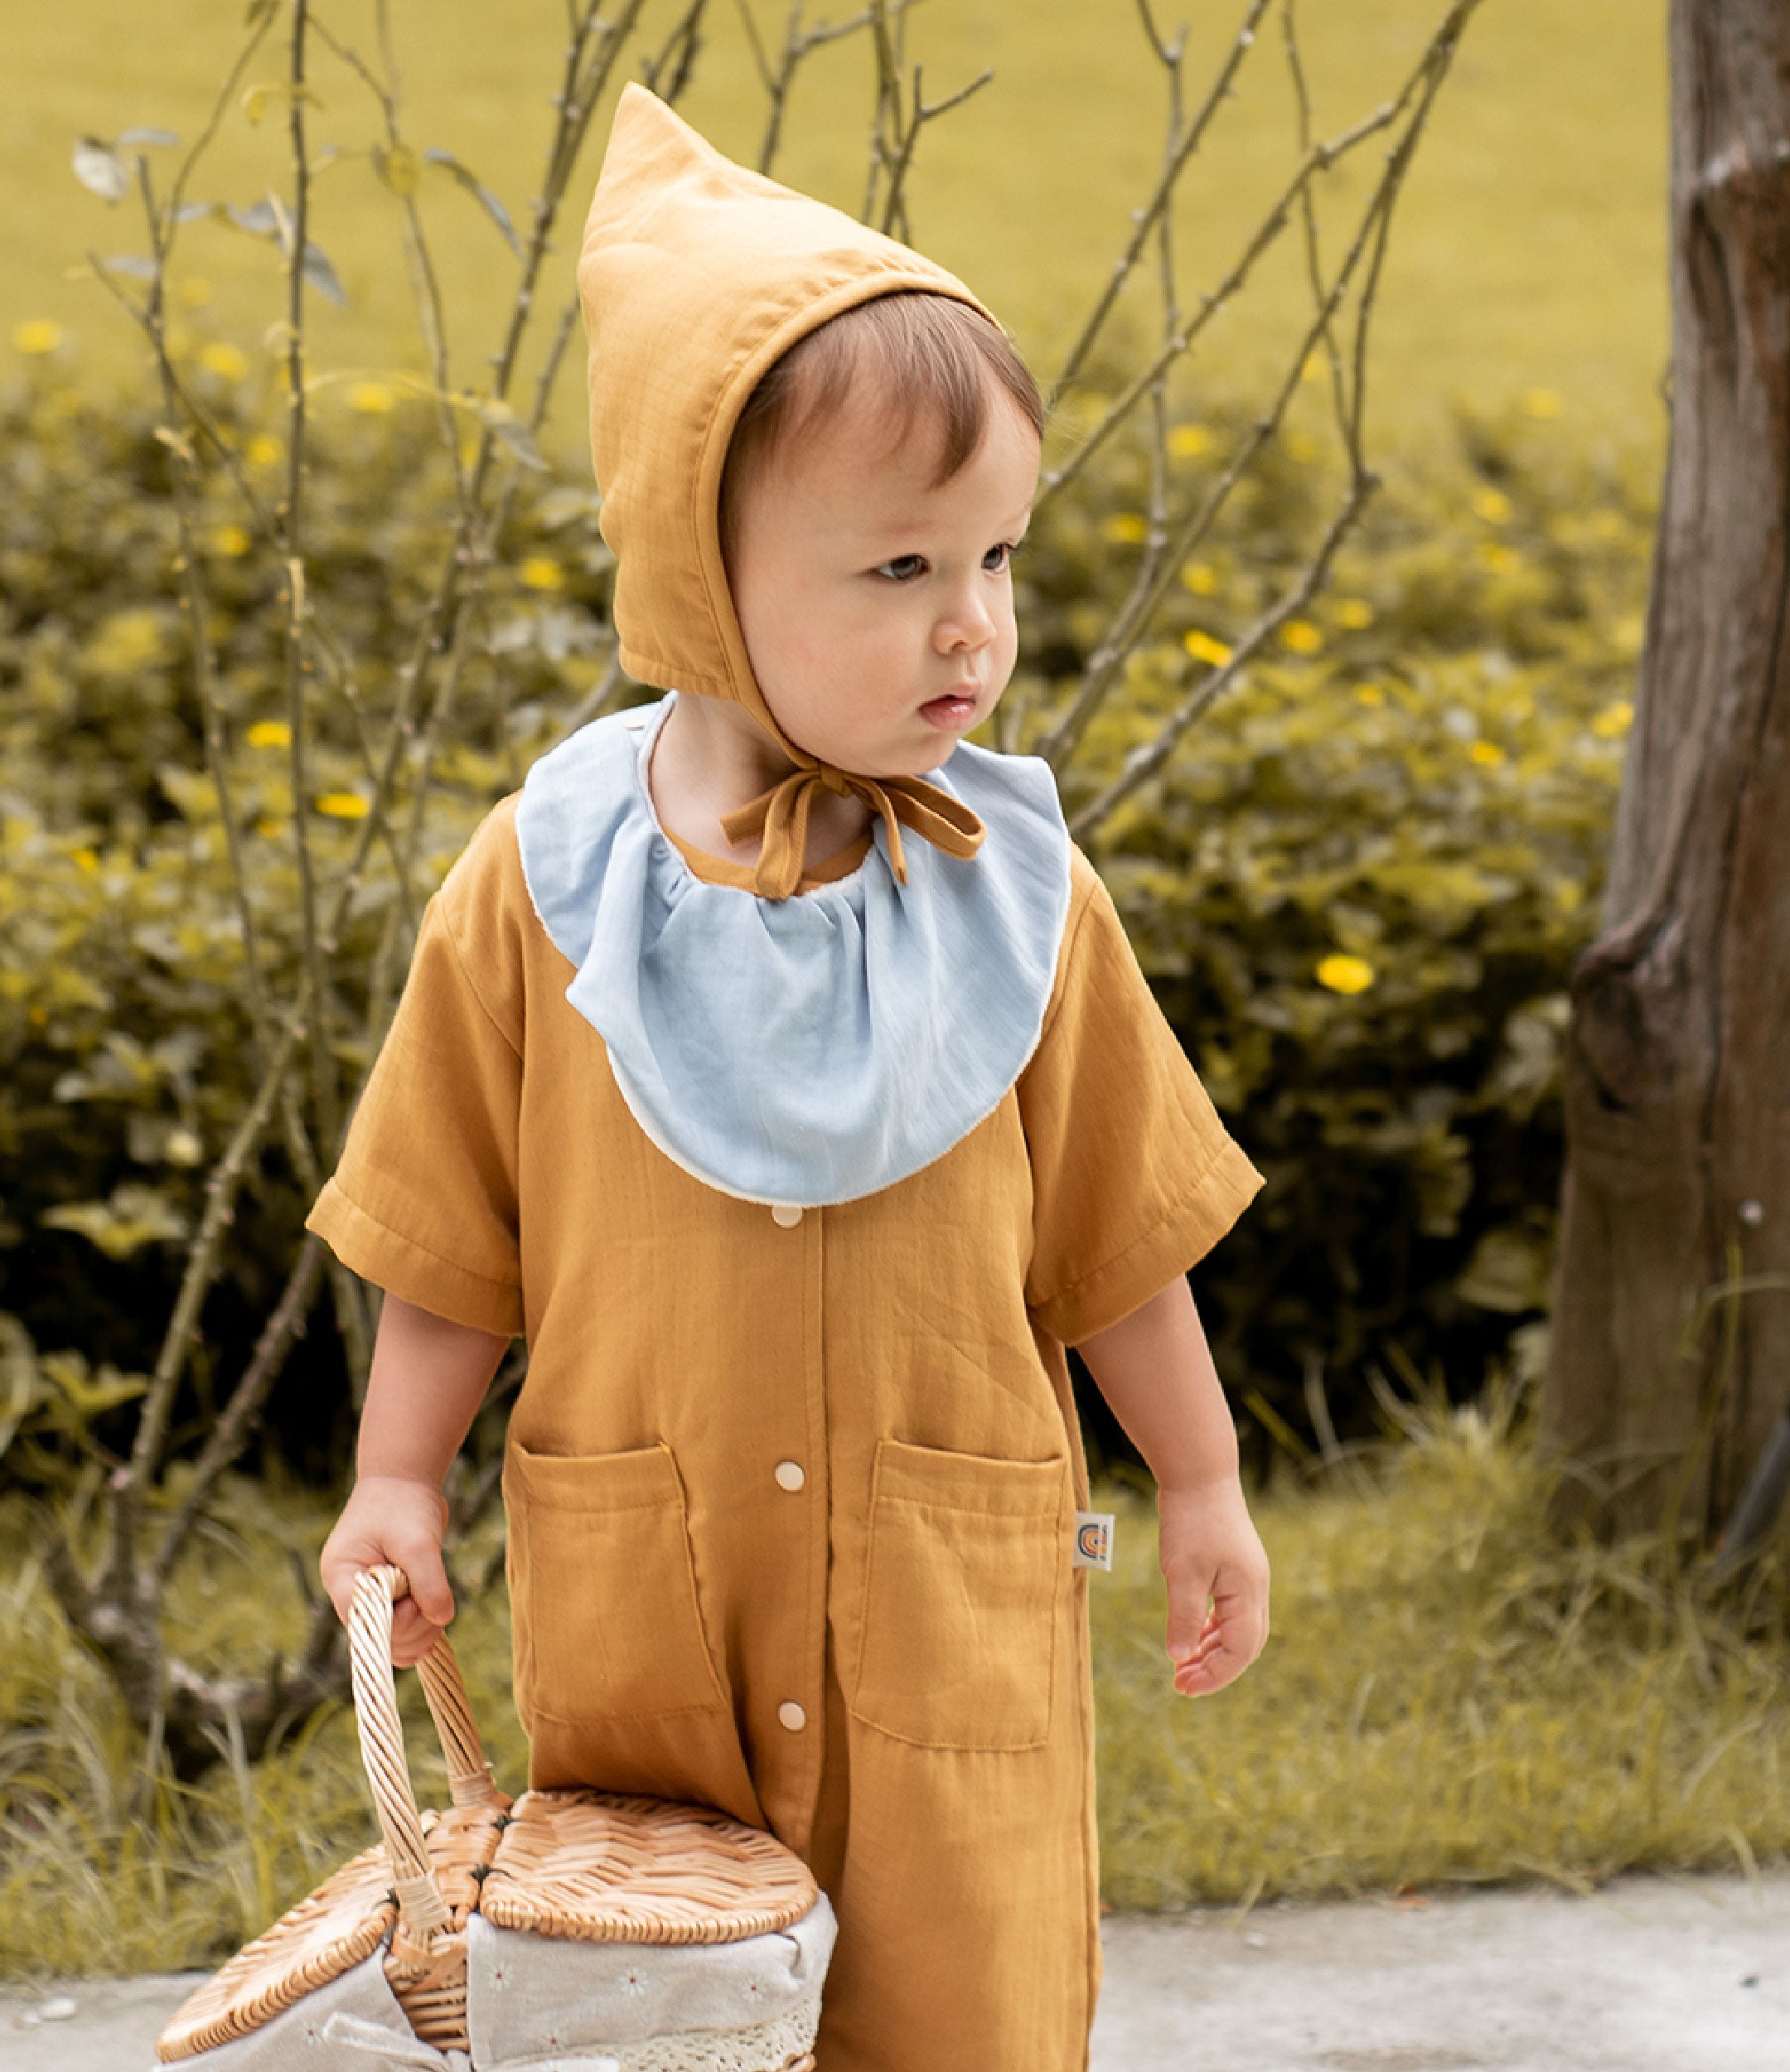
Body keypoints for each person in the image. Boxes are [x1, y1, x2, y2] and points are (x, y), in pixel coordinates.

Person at [310, 83, 1270, 2072]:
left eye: (995, 554)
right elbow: (450, 1226)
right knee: (656, 2005)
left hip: (943, 1601)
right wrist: (397, 1470)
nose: (970, 623)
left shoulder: (1017, 894)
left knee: (958, 2002)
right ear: (699, 568)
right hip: (646, 1606)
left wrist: (1198, 1476)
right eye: (896, 565)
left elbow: (1118, 1231)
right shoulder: (544, 885)